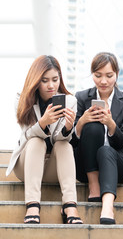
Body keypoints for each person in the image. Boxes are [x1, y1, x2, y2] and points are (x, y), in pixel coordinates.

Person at [6, 55, 82, 224]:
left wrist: (68, 128)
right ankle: (32, 205)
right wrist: (43, 123)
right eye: (45, 80)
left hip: (53, 168)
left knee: (64, 145)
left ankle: (70, 205)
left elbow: (58, 140)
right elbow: (26, 136)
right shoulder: (22, 100)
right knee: (36, 141)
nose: (51, 85)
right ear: (36, 81)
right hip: (27, 166)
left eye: (55, 79)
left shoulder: (70, 101)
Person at [71, 52, 123, 224]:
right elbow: (72, 141)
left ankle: (108, 207)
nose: (104, 81)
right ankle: (94, 186)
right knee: (91, 126)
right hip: (85, 165)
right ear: (92, 74)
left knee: (106, 149)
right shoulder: (81, 97)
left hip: (116, 164)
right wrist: (82, 122)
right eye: (98, 75)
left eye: (109, 76)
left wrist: (111, 124)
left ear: (117, 75)